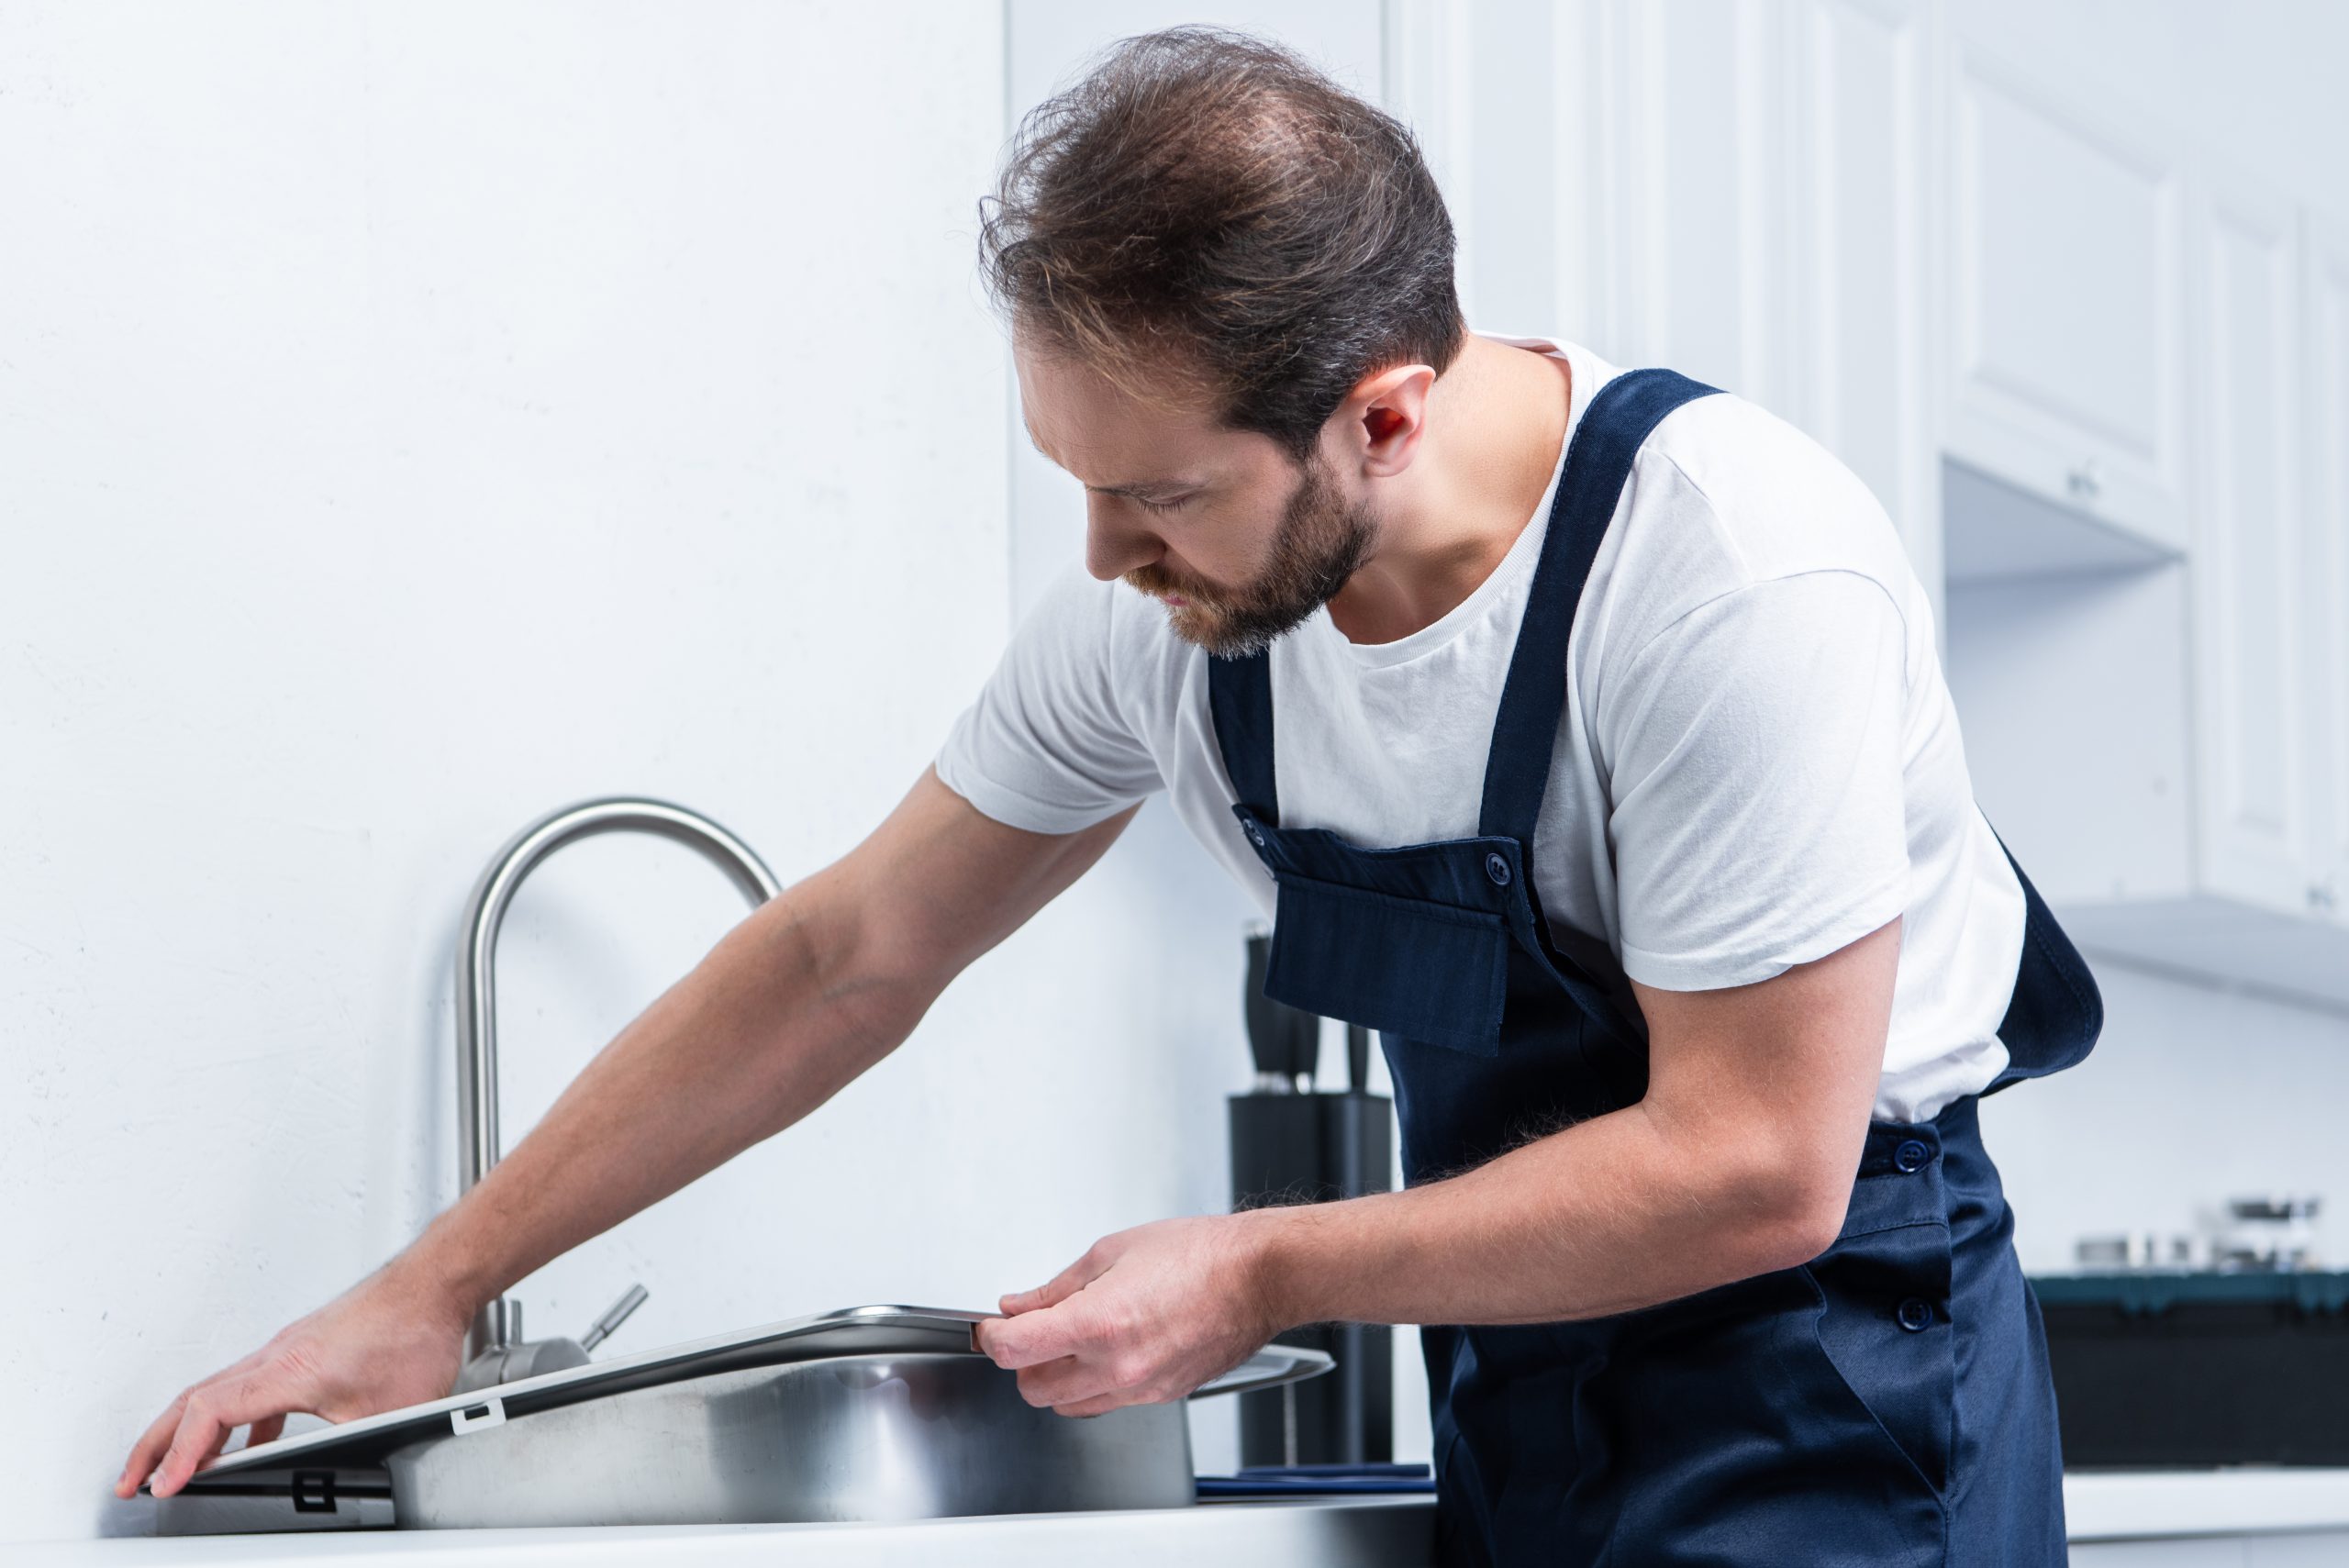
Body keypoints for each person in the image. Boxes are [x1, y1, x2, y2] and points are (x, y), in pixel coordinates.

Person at [117, 26, 2100, 1566]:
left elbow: (1754, 1166)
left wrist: (1254, 1266)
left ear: (1380, 418)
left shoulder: (1726, 577)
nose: (1097, 560)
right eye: (1074, 480)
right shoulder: (1174, 612)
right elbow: (842, 955)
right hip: (1522, 1385)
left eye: (1152, 495)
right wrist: (430, 1289)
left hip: (1838, 1379)